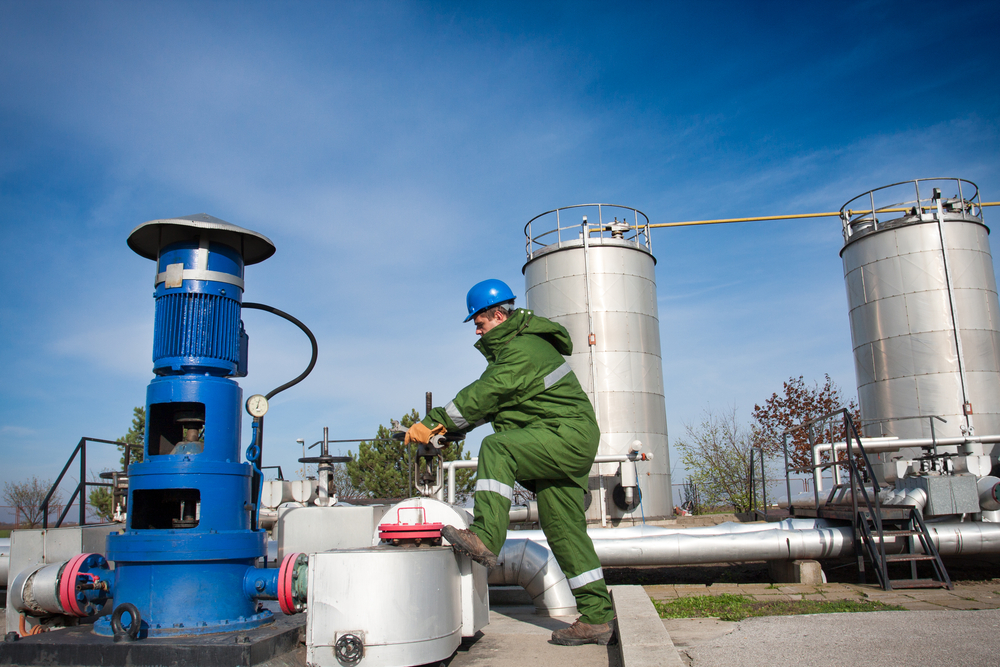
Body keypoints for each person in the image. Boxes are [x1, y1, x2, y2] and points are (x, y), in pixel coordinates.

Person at [404, 279, 615, 646]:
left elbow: (484, 395)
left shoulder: (523, 349)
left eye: (480, 321)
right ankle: (597, 617)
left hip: (565, 435)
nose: (476, 327)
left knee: (497, 448)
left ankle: (485, 537)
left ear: (499, 315)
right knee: (564, 530)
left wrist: (433, 422)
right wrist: (446, 432)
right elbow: (495, 404)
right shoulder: (514, 352)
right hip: (559, 438)